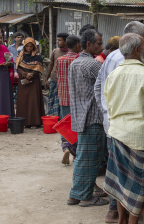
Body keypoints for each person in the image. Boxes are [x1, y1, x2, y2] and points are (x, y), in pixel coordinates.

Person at [103, 33, 144, 224]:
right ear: (136, 50)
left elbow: (109, 105)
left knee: (122, 182)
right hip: (140, 136)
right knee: (138, 185)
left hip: (117, 133)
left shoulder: (113, 75)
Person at [94, 21, 144, 223]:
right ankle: (121, 216)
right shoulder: (131, 63)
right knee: (131, 174)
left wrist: (106, 113)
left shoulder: (111, 57)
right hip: (131, 127)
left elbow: (99, 86)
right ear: (136, 42)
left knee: (116, 169)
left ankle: (116, 214)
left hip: (115, 124)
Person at [66, 29, 108, 207]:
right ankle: (85, 195)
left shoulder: (75, 63)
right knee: (90, 158)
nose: (102, 46)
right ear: (89, 44)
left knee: (83, 157)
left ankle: (76, 193)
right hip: (92, 117)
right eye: (98, 43)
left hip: (80, 115)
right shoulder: (92, 65)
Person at [56, 35, 82, 164]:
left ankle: (65, 148)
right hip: (77, 99)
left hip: (63, 97)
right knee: (77, 127)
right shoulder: (79, 60)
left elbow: (57, 77)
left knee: (64, 126)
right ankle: (75, 153)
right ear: (77, 45)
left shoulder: (60, 60)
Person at [15, 38, 45, 128]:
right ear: (24, 46)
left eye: (31, 46)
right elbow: (18, 67)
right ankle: (25, 122)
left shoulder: (38, 56)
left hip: (34, 81)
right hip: (23, 80)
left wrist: (30, 76)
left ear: (34, 46)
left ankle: (35, 122)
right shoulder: (21, 55)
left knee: (33, 101)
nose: (29, 48)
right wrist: (25, 74)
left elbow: (39, 68)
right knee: (23, 101)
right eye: (27, 46)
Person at [44, 33, 69, 117]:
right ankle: (53, 117)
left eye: (59, 40)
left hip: (65, 82)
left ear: (65, 41)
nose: (57, 42)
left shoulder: (70, 52)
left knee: (62, 101)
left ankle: (61, 118)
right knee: (53, 100)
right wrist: (46, 78)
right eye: (57, 40)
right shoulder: (55, 51)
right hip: (54, 80)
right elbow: (51, 64)